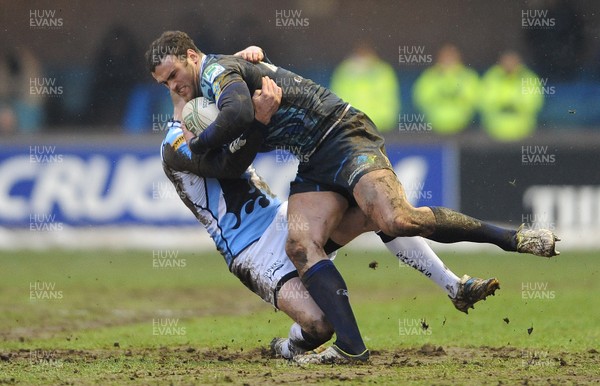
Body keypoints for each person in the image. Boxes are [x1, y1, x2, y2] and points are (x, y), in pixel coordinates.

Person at [146, 31, 560, 364]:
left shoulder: (221, 84)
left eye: (172, 76)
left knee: (393, 219)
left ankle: (503, 245)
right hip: (251, 246)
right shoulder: (174, 146)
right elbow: (229, 163)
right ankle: (327, 347)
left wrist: (245, 94)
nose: (173, 87)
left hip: (340, 137)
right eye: (164, 85)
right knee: (312, 297)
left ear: (191, 56)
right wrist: (247, 120)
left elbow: (231, 99)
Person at [330, 41, 400, 132]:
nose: (363, 58)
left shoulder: (383, 71)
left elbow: (389, 99)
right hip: (351, 126)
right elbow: (337, 98)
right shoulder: (344, 71)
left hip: (380, 126)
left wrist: (385, 121)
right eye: (361, 53)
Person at [412, 44, 480, 135]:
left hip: (463, 128)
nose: (448, 59)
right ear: (439, 58)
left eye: (451, 56)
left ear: (458, 58)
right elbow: (420, 99)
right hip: (434, 128)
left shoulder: (467, 76)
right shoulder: (429, 76)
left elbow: (474, 99)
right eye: (445, 56)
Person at [479, 51, 544, 141]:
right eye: (506, 62)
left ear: (519, 63)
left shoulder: (530, 79)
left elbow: (534, 103)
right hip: (494, 133)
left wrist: (509, 104)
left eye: (512, 62)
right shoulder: (491, 77)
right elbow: (485, 101)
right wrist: (510, 104)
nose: (509, 65)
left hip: (523, 132)